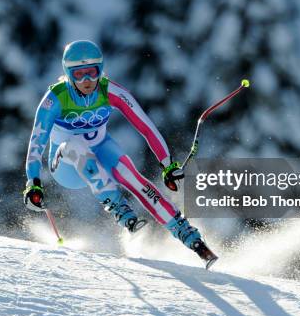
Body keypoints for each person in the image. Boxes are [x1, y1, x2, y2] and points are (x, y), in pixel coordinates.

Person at [24, 40, 217, 268]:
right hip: (65, 163)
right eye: (79, 75)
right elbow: (37, 141)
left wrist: (167, 164)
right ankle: (119, 208)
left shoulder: (110, 91)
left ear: (100, 69)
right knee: (76, 145)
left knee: (131, 175)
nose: (87, 81)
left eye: (92, 72)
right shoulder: (55, 98)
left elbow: (145, 126)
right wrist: (33, 182)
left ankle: (188, 234)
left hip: (100, 148)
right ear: (68, 74)